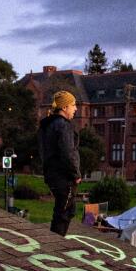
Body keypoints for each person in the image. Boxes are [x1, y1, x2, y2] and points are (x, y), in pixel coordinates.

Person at [38, 90, 81, 236]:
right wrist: (75, 174)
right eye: (73, 105)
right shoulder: (63, 125)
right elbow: (67, 152)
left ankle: (56, 240)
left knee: (68, 209)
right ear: (64, 107)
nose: (75, 108)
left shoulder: (47, 125)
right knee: (64, 212)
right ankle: (55, 243)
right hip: (63, 176)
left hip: (52, 174)